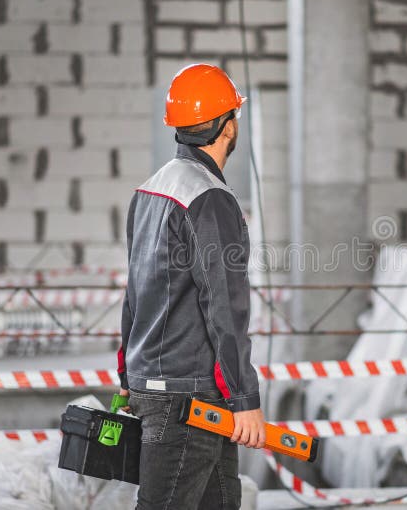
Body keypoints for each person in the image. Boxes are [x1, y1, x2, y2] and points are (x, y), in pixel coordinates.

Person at [116, 63, 265, 510]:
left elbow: (134, 293)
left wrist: (126, 376)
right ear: (228, 125)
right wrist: (245, 398)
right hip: (187, 398)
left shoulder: (150, 191)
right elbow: (225, 305)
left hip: (160, 388)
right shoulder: (209, 197)